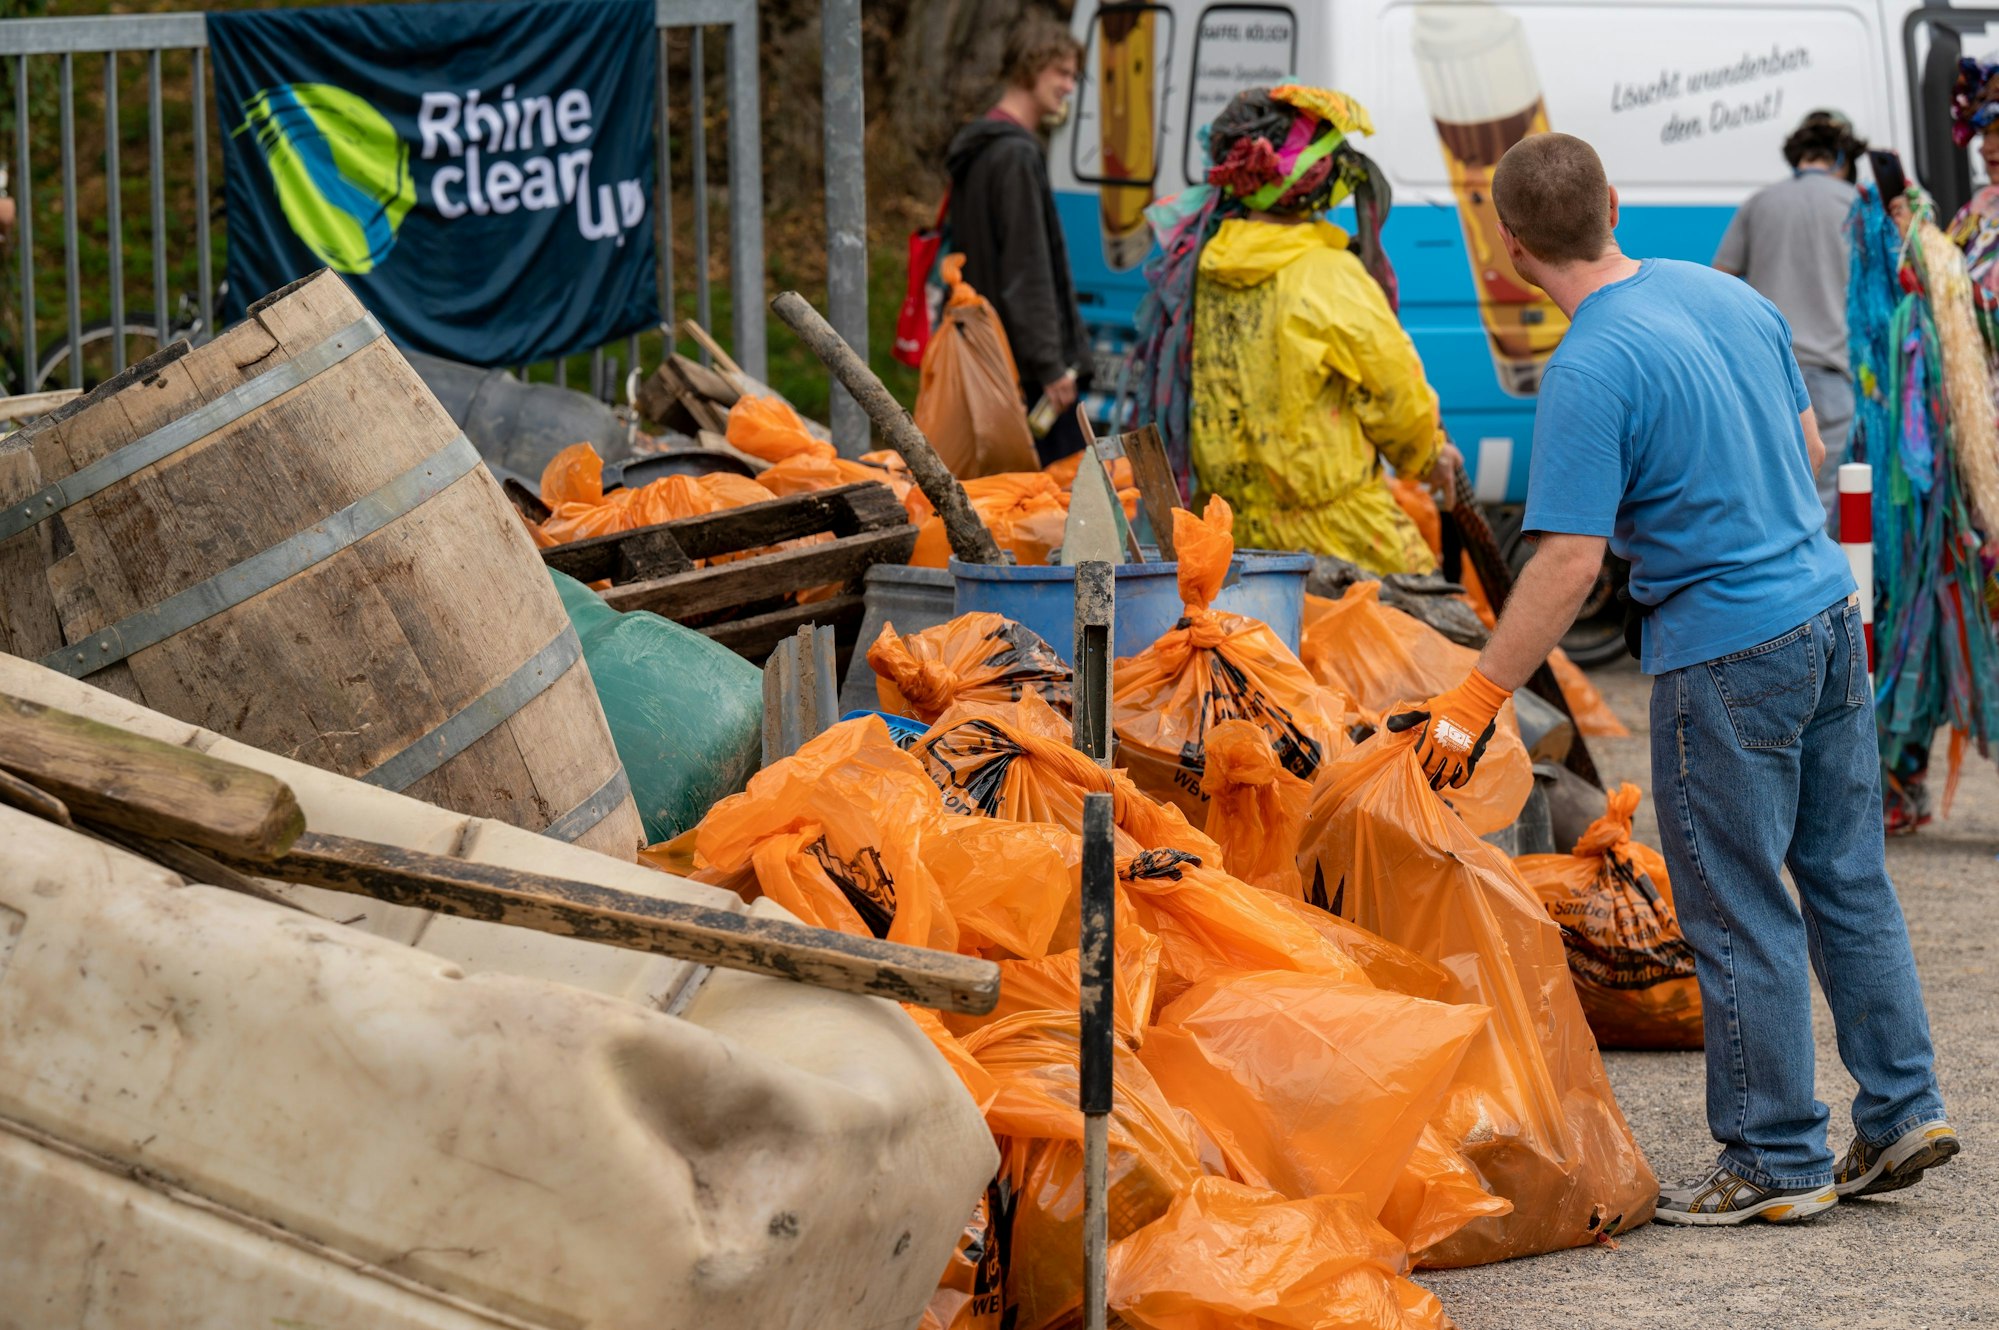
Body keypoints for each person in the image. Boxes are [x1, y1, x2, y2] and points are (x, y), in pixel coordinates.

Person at [1388, 132, 1957, 1225]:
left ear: (1505, 250)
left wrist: (1474, 698)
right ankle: (1900, 1108)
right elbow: (1801, 446)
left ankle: (1776, 1158)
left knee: (1735, 903)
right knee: (1845, 875)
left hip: (1723, 647)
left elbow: (1566, 561)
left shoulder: (1590, 365)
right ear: (1614, 200)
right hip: (1822, 618)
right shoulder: (1724, 296)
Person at [1183, 86, 1456, 574]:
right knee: (1446, 643)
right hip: (1342, 541)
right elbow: (1395, 394)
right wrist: (1429, 457)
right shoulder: (1329, 276)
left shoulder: (1203, 268)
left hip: (1230, 544)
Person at [945, 17, 1093, 464]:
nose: (1069, 86)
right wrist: (1050, 366)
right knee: (1060, 509)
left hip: (990, 357)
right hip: (1027, 374)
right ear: (1032, 67)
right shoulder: (1015, 155)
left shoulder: (981, 148)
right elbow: (1026, 268)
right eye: (1062, 73)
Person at [1714, 111, 1864, 532]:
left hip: (1768, 378)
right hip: (1834, 379)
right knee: (1825, 503)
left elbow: (1720, 281)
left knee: (1770, 496)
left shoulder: (1760, 203)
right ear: (1841, 159)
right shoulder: (1856, 206)